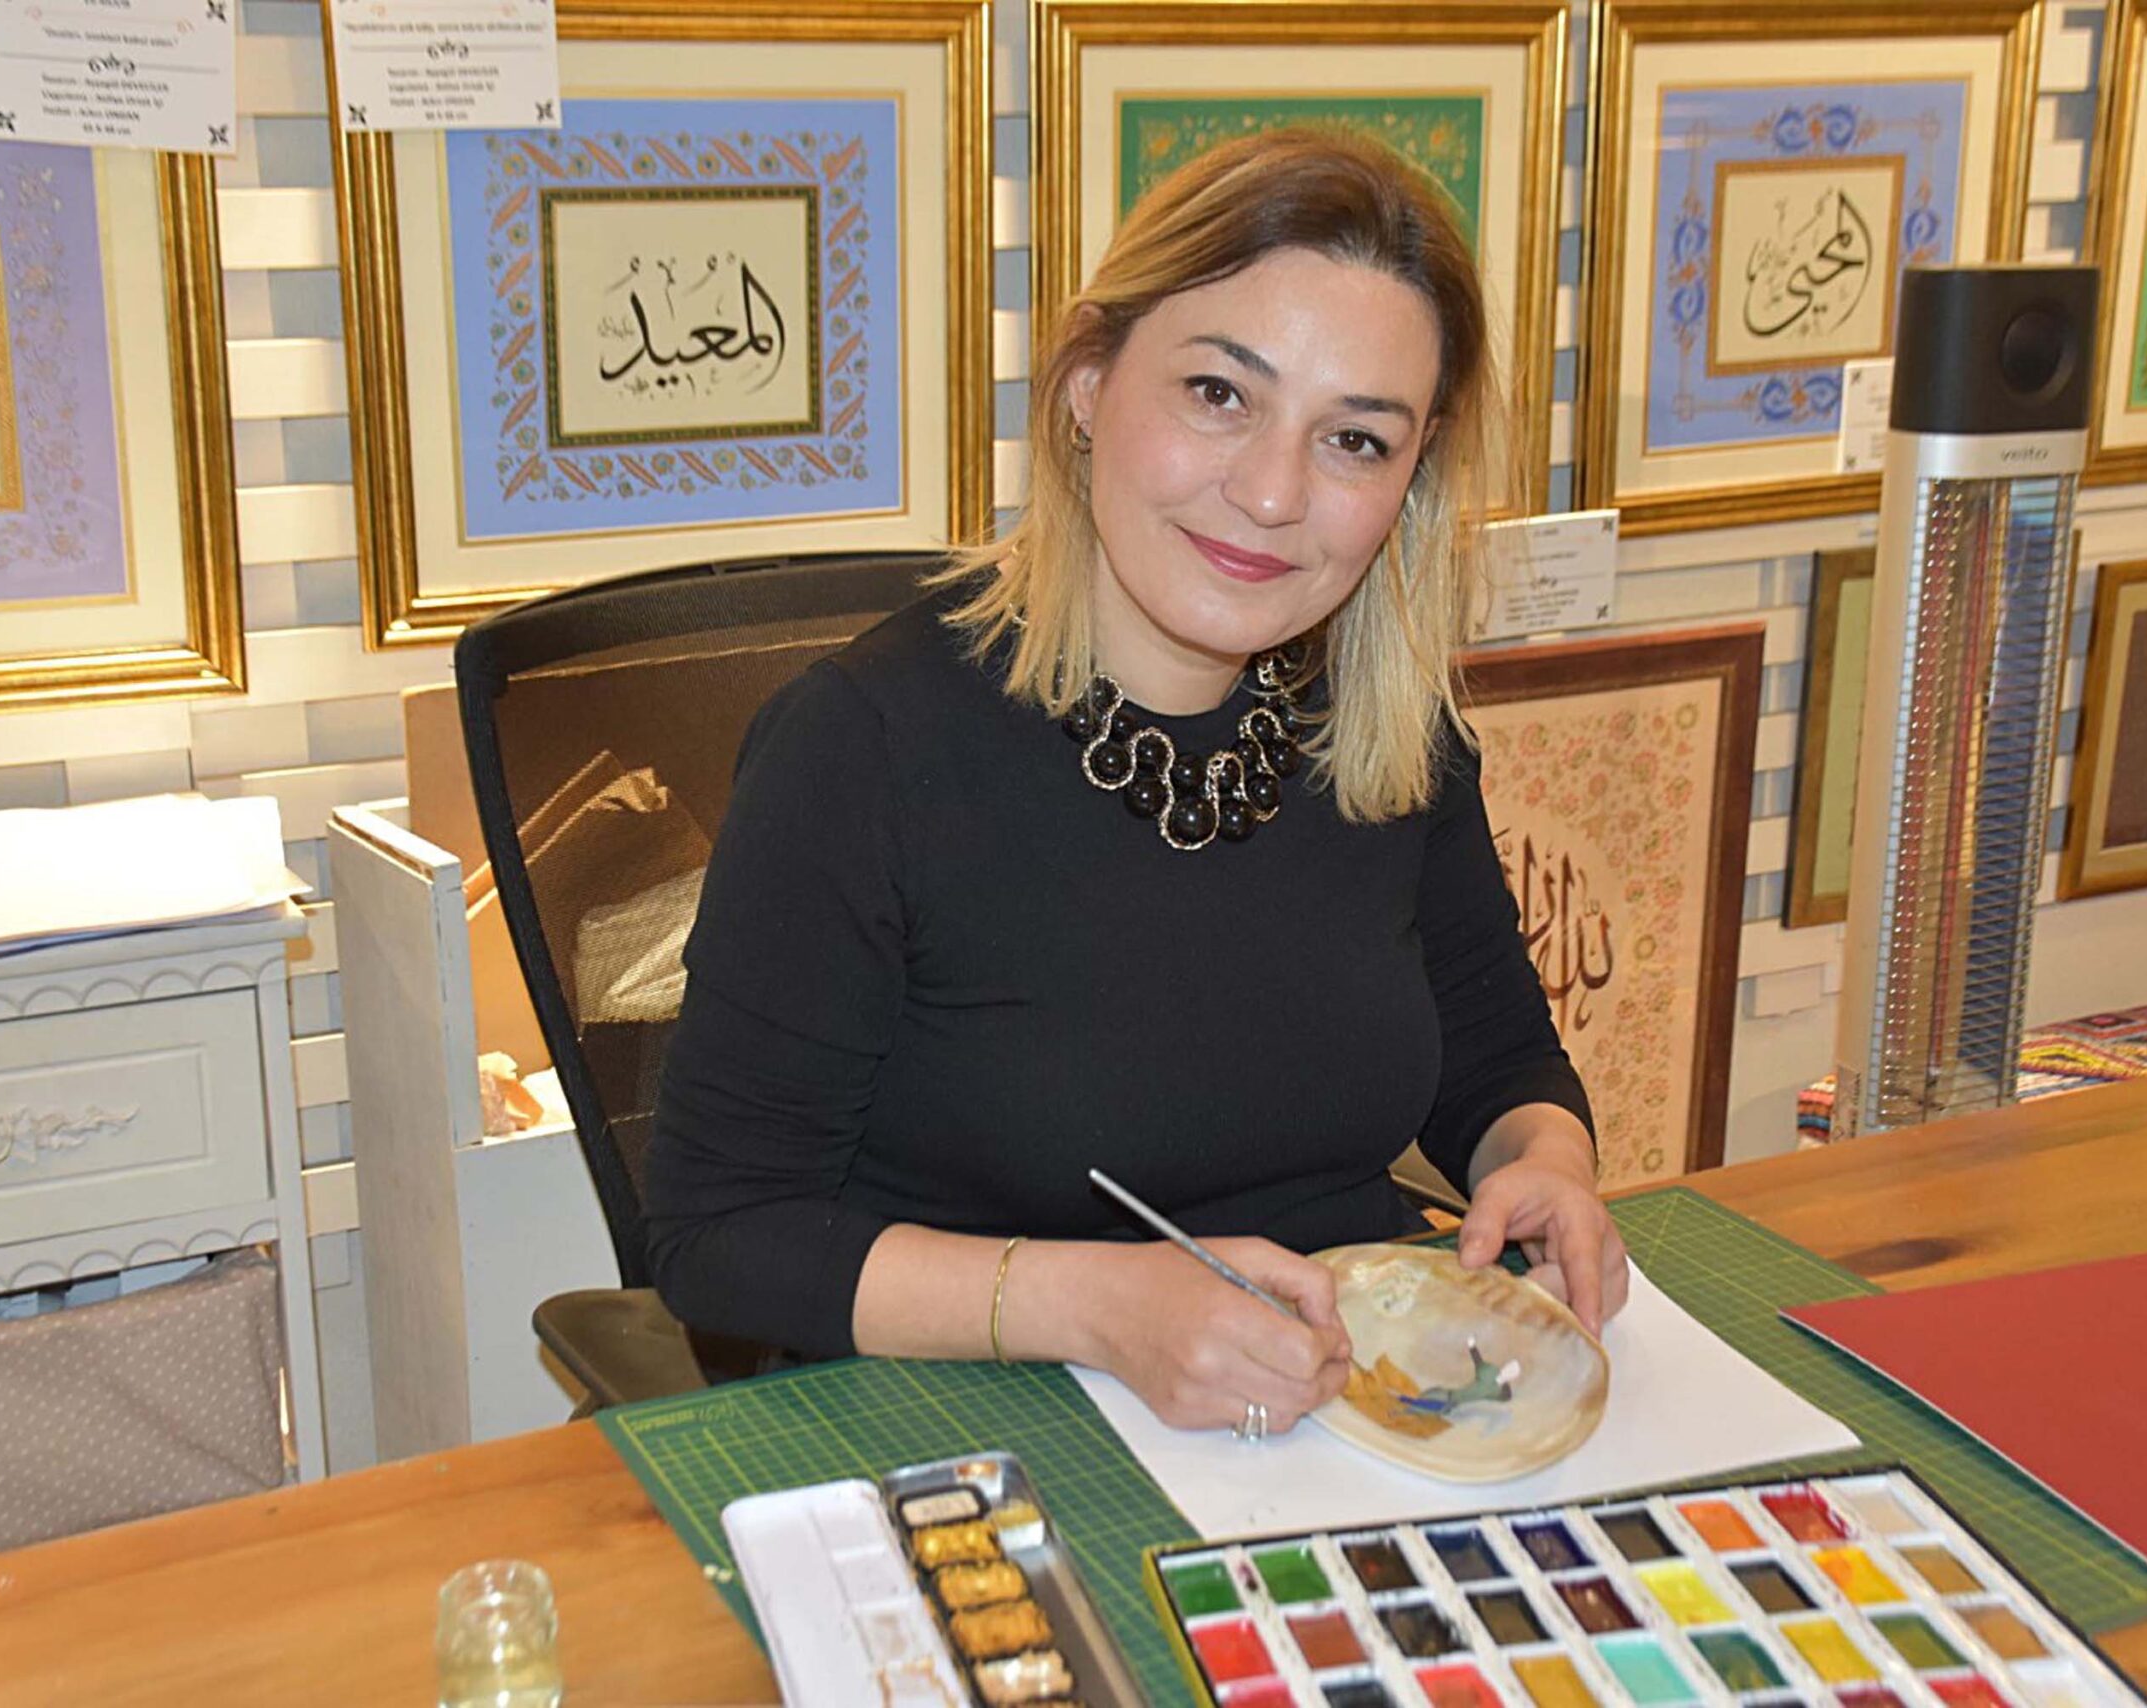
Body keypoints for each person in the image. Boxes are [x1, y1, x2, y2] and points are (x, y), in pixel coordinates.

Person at [644, 128, 1627, 1438]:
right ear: (1088, 382)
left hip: (1341, 1413)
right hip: (979, 1423)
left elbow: (1494, 1061)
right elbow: (720, 1234)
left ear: (1414, 475)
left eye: (1354, 440)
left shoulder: (1386, 728)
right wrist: (1102, 1307)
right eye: (1219, 394)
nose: (1272, 494)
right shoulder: (862, 749)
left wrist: (1544, 1161)